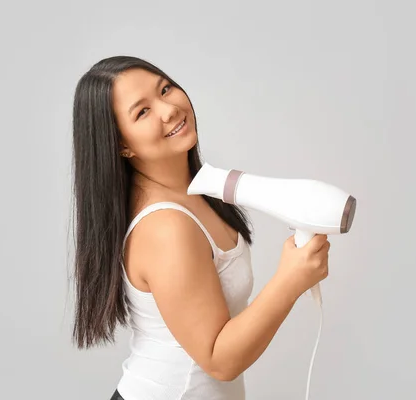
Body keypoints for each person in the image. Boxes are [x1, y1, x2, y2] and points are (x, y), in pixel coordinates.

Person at [70, 55, 330, 400]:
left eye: (165, 89)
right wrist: (290, 281)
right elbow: (219, 359)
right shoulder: (166, 227)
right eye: (142, 112)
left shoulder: (196, 189)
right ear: (121, 144)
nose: (168, 110)